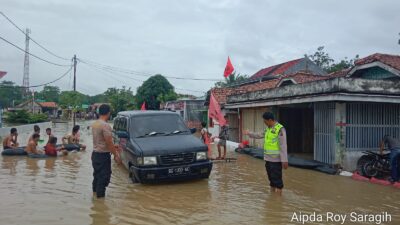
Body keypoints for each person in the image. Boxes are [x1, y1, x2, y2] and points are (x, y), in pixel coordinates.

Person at [243, 112, 288, 196]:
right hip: (268, 159)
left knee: (277, 181)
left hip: (276, 160)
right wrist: (249, 133)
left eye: (265, 121)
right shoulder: (268, 128)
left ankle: (278, 201)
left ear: (270, 120)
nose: (264, 123)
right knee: (271, 180)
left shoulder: (280, 129)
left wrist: (284, 160)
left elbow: (283, 145)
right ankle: (272, 198)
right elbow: (259, 135)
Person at [91, 104, 121, 198]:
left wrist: (113, 146)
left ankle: (94, 198)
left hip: (95, 154)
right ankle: (100, 204)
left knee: (97, 177)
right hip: (103, 156)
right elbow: (108, 141)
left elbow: (101, 141)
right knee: (103, 178)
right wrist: (116, 155)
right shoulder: (105, 125)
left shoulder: (95, 124)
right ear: (108, 113)